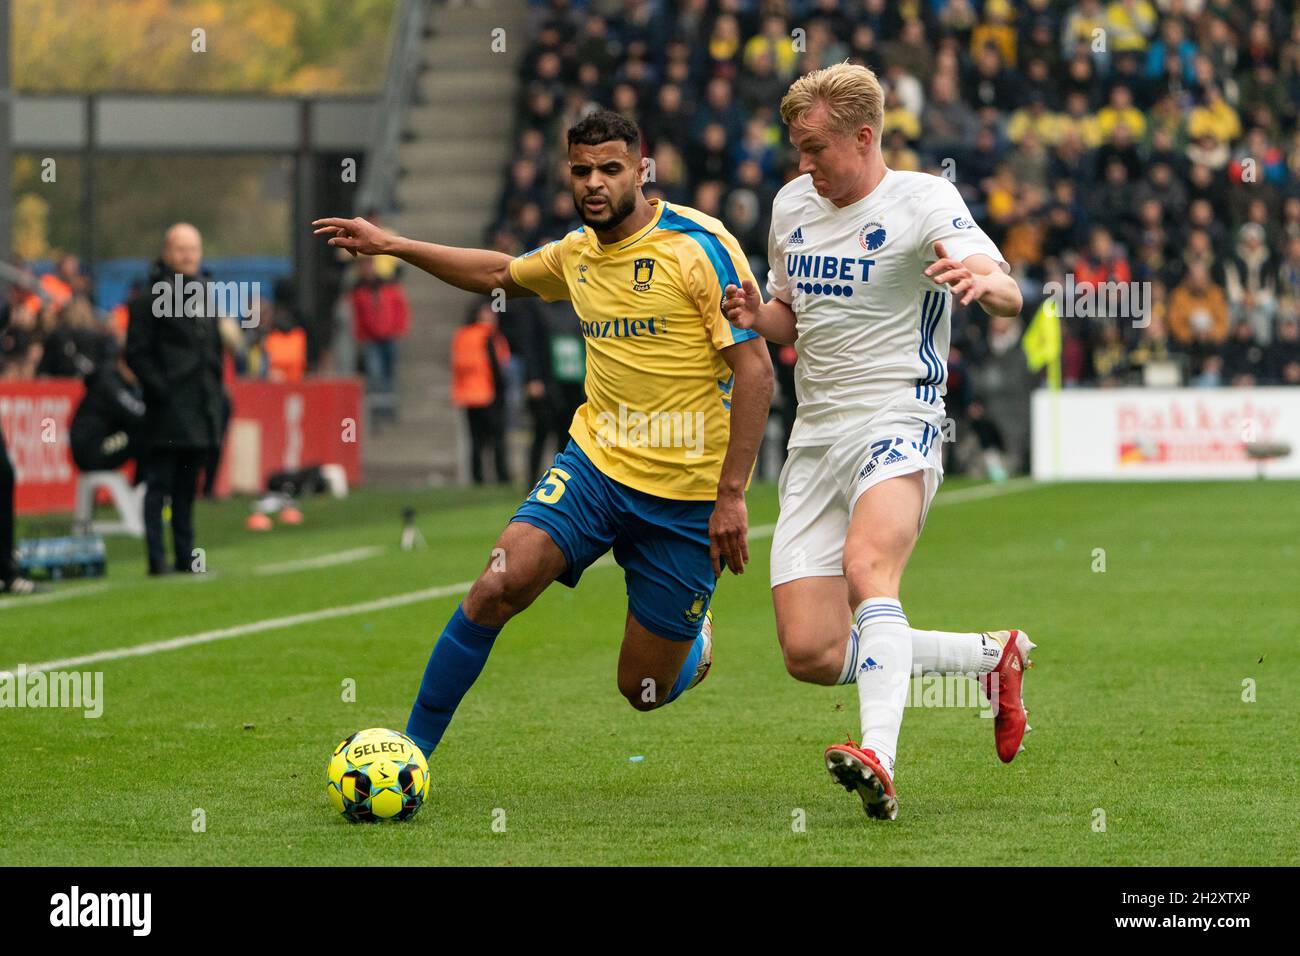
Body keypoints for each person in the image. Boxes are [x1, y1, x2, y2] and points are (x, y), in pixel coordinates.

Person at [314, 109, 773, 758]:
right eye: (582, 170)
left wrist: (731, 495)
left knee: (641, 689)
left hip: (686, 497)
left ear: (642, 171)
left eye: (610, 169)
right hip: (596, 468)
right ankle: (411, 752)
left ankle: (691, 646)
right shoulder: (576, 254)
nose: (594, 183)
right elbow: (499, 274)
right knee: (498, 583)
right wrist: (393, 245)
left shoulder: (700, 247)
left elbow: (756, 372)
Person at [723, 64, 1034, 820]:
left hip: (900, 419)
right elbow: (792, 317)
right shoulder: (792, 205)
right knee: (812, 653)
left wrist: (980, 282)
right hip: (816, 436)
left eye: (816, 148)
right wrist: (754, 313)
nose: (804, 164)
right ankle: (991, 659)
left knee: (869, 572)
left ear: (864, 137)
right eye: (796, 148)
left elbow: (1008, 290)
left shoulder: (924, 199)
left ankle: (879, 759)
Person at [125, 223, 225, 576]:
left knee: (187, 488)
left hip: (198, 407)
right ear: (167, 252)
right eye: (181, 249)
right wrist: (161, 389)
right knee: (160, 486)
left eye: (193, 249)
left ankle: (186, 558)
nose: (187, 256)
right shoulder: (149, 298)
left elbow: (212, 349)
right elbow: (136, 352)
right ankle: (157, 560)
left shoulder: (205, 294)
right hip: (167, 409)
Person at [450, 302, 513, 484]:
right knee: (497, 439)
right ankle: (502, 476)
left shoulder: (462, 335)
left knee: (475, 440)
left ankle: (477, 478)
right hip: (488, 393)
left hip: (468, 395)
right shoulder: (489, 336)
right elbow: (497, 367)